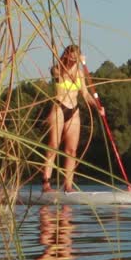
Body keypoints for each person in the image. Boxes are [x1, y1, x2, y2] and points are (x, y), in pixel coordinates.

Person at [42, 44, 96, 192]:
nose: (74, 57)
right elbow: (62, 76)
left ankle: (68, 185)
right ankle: (46, 183)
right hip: (59, 108)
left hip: (74, 111)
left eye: (77, 55)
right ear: (66, 55)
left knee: (71, 150)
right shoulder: (57, 69)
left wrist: (97, 106)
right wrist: (80, 62)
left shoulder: (80, 72)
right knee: (53, 145)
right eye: (72, 54)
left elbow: (84, 93)